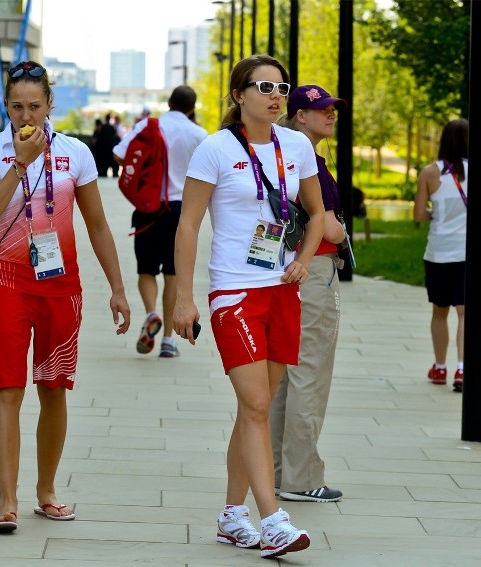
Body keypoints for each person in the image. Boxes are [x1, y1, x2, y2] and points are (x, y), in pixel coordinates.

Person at [0, 60, 131, 534]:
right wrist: (19, 164)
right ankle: (6, 503)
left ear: (49, 105)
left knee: (54, 387)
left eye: (34, 106)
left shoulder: (75, 153)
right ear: (6, 105)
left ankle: (46, 492)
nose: (26, 116)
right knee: (9, 389)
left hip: (62, 286)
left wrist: (118, 288)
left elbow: (98, 224)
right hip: (9, 285)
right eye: (16, 106)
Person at [172, 54, 325, 558]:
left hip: (282, 291)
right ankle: (274, 519)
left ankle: (231, 516)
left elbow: (318, 212)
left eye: (282, 87)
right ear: (239, 95)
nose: (276, 95)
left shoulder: (297, 145)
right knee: (258, 406)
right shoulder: (215, 149)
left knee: (252, 408)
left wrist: (304, 259)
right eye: (264, 87)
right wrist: (184, 298)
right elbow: (189, 224)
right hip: (234, 292)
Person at [270, 84, 347, 504]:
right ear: (300, 116)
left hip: (285, 270)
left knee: (286, 375)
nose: (331, 115)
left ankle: (279, 473)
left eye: (333, 109)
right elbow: (330, 227)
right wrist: (342, 230)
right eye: (322, 110)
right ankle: (302, 478)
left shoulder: (278, 155)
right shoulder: (309, 163)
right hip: (315, 270)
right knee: (309, 376)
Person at [113, 86, 208, 358]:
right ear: (192, 108)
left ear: (168, 103)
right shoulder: (199, 134)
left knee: (146, 270)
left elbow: (120, 153)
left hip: (148, 207)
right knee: (173, 275)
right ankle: (168, 341)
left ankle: (151, 313)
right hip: (181, 211)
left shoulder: (147, 125)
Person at [414, 119, 469, 393]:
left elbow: (419, 215)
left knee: (440, 311)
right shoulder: (480, 171)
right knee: (464, 312)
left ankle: (440, 366)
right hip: (467, 251)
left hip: (438, 251)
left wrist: (438, 213)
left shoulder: (429, 172)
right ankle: (463, 368)